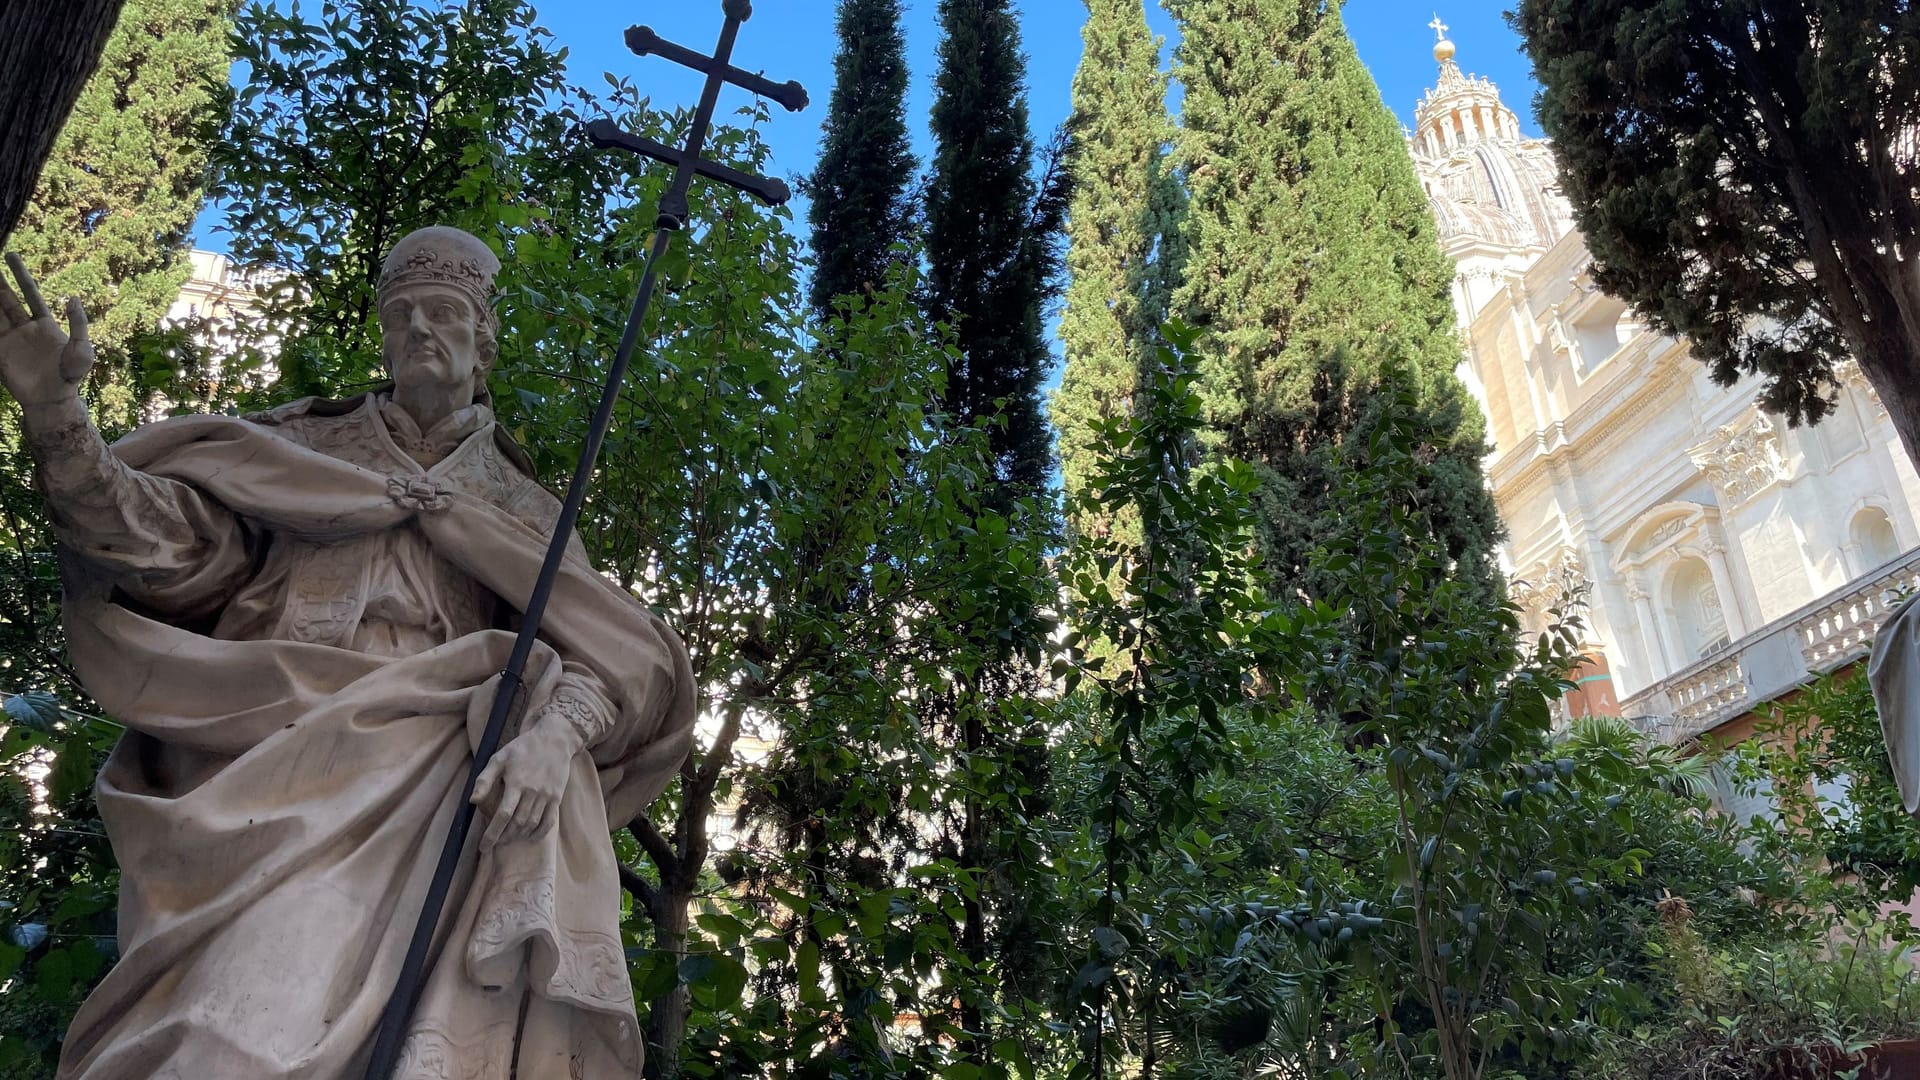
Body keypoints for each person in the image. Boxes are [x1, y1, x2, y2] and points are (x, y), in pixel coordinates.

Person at [0, 226, 695, 1079]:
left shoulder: (526, 510)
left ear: (486, 339)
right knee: (210, 1042)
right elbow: (157, 544)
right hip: (270, 760)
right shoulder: (296, 453)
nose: (420, 330)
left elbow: (610, 655)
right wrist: (57, 416)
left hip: (438, 778)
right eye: (400, 314)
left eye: (443, 312)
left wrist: (554, 736)